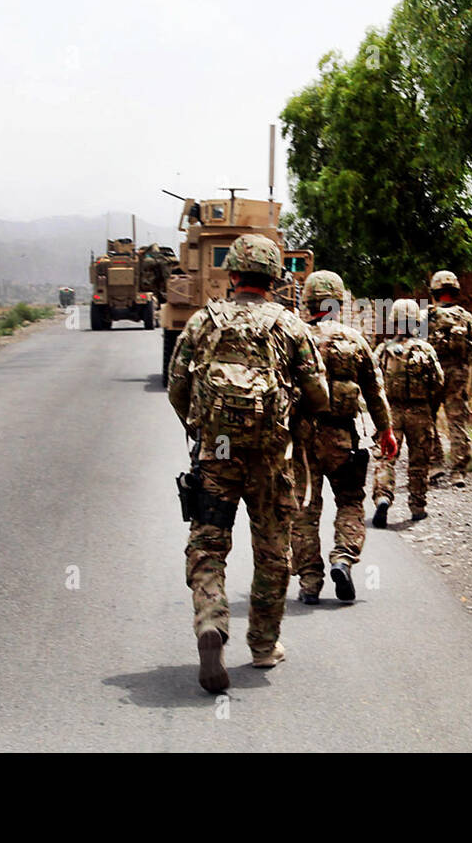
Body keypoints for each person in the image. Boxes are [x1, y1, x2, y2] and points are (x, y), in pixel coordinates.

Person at [168, 234, 328, 693]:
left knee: (208, 543)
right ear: (274, 279)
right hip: (270, 456)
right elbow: (319, 394)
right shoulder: (290, 326)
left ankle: (210, 622)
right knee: (273, 551)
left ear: (233, 275)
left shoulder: (203, 322)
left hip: (217, 451)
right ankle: (263, 646)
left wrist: (201, 430)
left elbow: (178, 388)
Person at [289, 270, 398, 605]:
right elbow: (375, 391)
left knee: (304, 509)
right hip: (341, 437)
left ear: (306, 301)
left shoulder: (293, 337)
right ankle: (343, 557)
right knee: (350, 501)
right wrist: (386, 430)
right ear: (338, 302)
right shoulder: (354, 340)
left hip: (301, 439)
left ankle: (309, 581)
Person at [371, 298, 444, 528]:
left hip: (390, 411)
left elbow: (372, 381)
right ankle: (417, 507)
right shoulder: (425, 349)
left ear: (394, 322)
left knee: (386, 458)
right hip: (420, 411)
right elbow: (438, 382)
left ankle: (383, 496)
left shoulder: (383, 350)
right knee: (419, 460)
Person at [424, 270, 472, 487]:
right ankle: (458, 472)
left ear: (435, 292)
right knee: (457, 423)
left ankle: (435, 465)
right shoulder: (465, 317)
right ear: (455, 291)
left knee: (428, 420)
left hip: (432, 375)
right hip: (457, 376)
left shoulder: (427, 316)